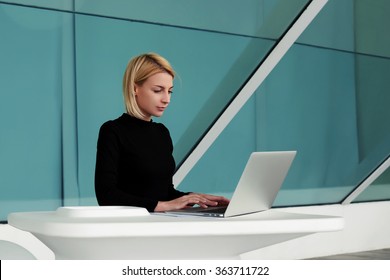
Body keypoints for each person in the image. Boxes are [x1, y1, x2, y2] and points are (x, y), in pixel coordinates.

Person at [95, 52, 229, 212]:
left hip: (161, 222)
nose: (166, 99)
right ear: (134, 88)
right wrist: (161, 206)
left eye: (169, 91)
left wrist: (195, 198)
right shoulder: (112, 131)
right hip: (131, 227)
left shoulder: (162, 133)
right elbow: (106, 195)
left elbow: (164, 192)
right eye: (158, 90)